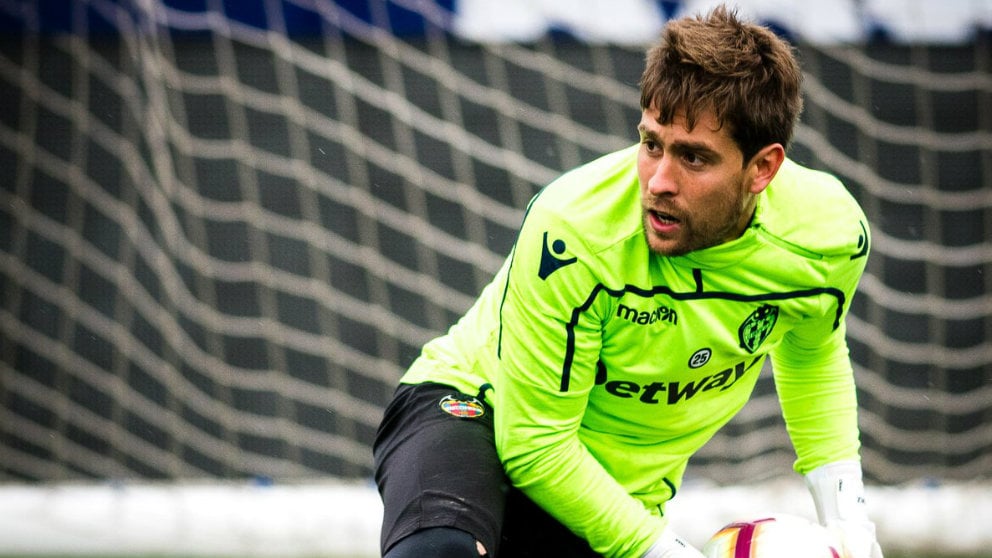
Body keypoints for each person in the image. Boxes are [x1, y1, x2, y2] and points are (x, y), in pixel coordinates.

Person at [372, 5, 884, 558]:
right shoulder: (573, 230)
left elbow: (813, 356)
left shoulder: (828, 234)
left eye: (693, 157)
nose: (659, 182)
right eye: (651, 144)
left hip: (611, 487)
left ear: (762, 168)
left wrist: (851, 529)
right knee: (438, 552)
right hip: (474, 406)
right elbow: (533, 444)